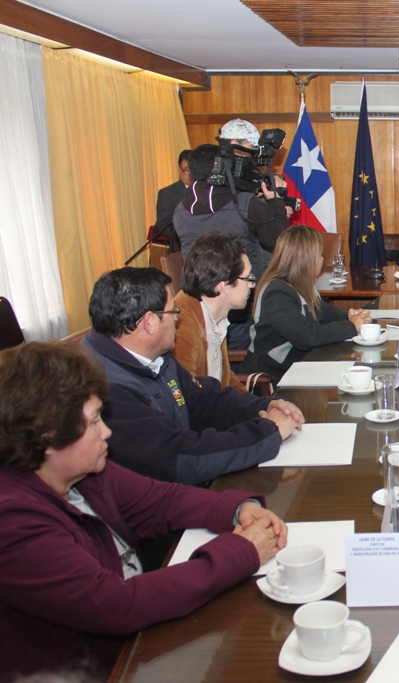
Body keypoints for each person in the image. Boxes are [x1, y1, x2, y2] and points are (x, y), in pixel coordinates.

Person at [0, 342, 286, 678]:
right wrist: (241, 551)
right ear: (46, 439)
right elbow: (114, 605)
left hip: (137, 643)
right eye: (93, 423)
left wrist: (238, 507)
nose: (106, 432)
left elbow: (159, 501)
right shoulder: (12, 520)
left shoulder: (82, 472)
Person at [82, 267, 303, 485]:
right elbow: (181, 457)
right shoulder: (106, 389)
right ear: (149, 322)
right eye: (173, 312)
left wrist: (264, 406)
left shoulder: (156, 358)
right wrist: (267, 433)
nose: (177, 320)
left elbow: (203, 400)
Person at [244, 225, 371, 381]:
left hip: (299, 368)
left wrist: (352, 317)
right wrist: (351, 326)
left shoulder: (303, 285)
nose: (322, 260)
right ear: (307, 260)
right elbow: (308, 337)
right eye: (320, 255)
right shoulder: (276, 292)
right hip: (273, 378)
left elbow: (325, 311)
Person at [173, 142, 290, 284]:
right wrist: (275, 201)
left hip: (196, 293)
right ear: (223, 167)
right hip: (241, 291)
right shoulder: (246, 203)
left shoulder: (179, 210)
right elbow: (281, 241)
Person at [173, 231, 255, 392]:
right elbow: (188, 396)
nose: (252, 285)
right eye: (248, 278)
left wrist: (262, 406)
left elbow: (224, 379)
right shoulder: (181, 322)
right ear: (224, 285)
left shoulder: (215, 314)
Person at [154, 149, 191, 253]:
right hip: (180, 250)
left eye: (193, 169)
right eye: (187, 169)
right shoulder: (167, 193)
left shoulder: (206, 190)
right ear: (179, 169)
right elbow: (162, 225)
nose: (190, 173)